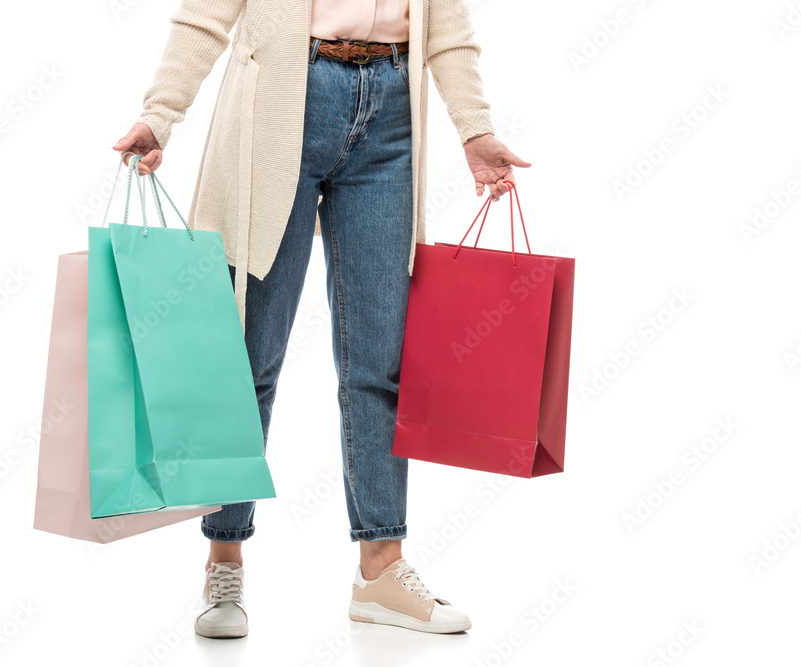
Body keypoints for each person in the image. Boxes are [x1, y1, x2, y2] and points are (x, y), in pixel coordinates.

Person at [113, 0, 529, 638]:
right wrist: (160, 114)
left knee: (379, 362)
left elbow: (447, 30)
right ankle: (224, 557)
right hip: (282, 99)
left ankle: (381, 569)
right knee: (247, 357)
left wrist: (474, 128)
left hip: (392, 108)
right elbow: (204, 14)